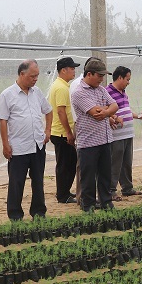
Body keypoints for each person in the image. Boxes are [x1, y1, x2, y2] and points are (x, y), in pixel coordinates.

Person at [0, 59, 53, 221]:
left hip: (37, 145)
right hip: (18, 147)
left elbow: (48, 111)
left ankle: (39, 212)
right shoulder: (7, 94)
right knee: (16, 183)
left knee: (38, 181)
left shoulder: (37, 92)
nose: (35, 79)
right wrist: (5, 144)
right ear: (22, 74)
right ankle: (15, 215)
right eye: (32, 76)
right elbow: (3, 121)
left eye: (37, 76)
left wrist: (47, 130)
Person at [71, 59, 119, 212]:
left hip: (105, 139)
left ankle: (106, 202)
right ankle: (89, 205)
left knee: (105, 174)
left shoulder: (101, 89)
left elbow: (115, 105)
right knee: (88, 176)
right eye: (99, 75)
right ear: (89, 74)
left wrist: (106, 111)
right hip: (88, 142)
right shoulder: (79, 92)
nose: (101, 79)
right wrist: (107, 111)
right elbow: (95, 113)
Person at [106, 66, 142, 200]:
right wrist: (112, 118)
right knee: (115, 162)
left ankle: (127, 188)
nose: (128, 82)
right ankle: (111, 190)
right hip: (117, 135)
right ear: (120, 77)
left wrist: (138, 116)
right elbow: (105, 111)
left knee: (126, 162)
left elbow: (126, 110)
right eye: (127, 79)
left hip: (128, 134)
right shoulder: (107, 92)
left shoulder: (123, 92)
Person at [69, 56, 101, 205]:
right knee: (84, 166)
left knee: (94, 166)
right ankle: (82, 197)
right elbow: (95, 110)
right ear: (90, 71)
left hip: (97, 126)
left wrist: (105, 112)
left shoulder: (96, 86)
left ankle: (92, 197)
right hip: (83, 124)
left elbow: (106, 106)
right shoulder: (77, 86)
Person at [48, 57, 81, 204]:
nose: (74, 71)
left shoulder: (62, 85)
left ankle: (65, 191)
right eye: (72, 68)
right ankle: (62, 195)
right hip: (61, 132)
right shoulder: (61, 88)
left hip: (61, 131)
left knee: (68, 163)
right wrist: (68, 132)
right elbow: (61, 111)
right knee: (65, 165)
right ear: (63, 70)